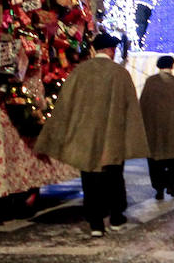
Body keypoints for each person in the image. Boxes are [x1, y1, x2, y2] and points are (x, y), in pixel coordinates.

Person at [34, 33, 149, 238]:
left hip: (86, 136)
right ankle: (115, 217)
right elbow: (130, 107)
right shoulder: (119, 73)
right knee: (114, 176)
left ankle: (96, 223)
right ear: (111, 51)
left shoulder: (80, 72)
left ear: (95, 50)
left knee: (90, 178)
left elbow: (65, 104)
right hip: (112, 135)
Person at [139, 54, 174, 200]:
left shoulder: (150, 82)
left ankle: (159, 189)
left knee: (155, 162)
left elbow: (143, 105)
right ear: (172, 66)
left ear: (158, 66)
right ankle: (171, 185)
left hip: (154, 130)